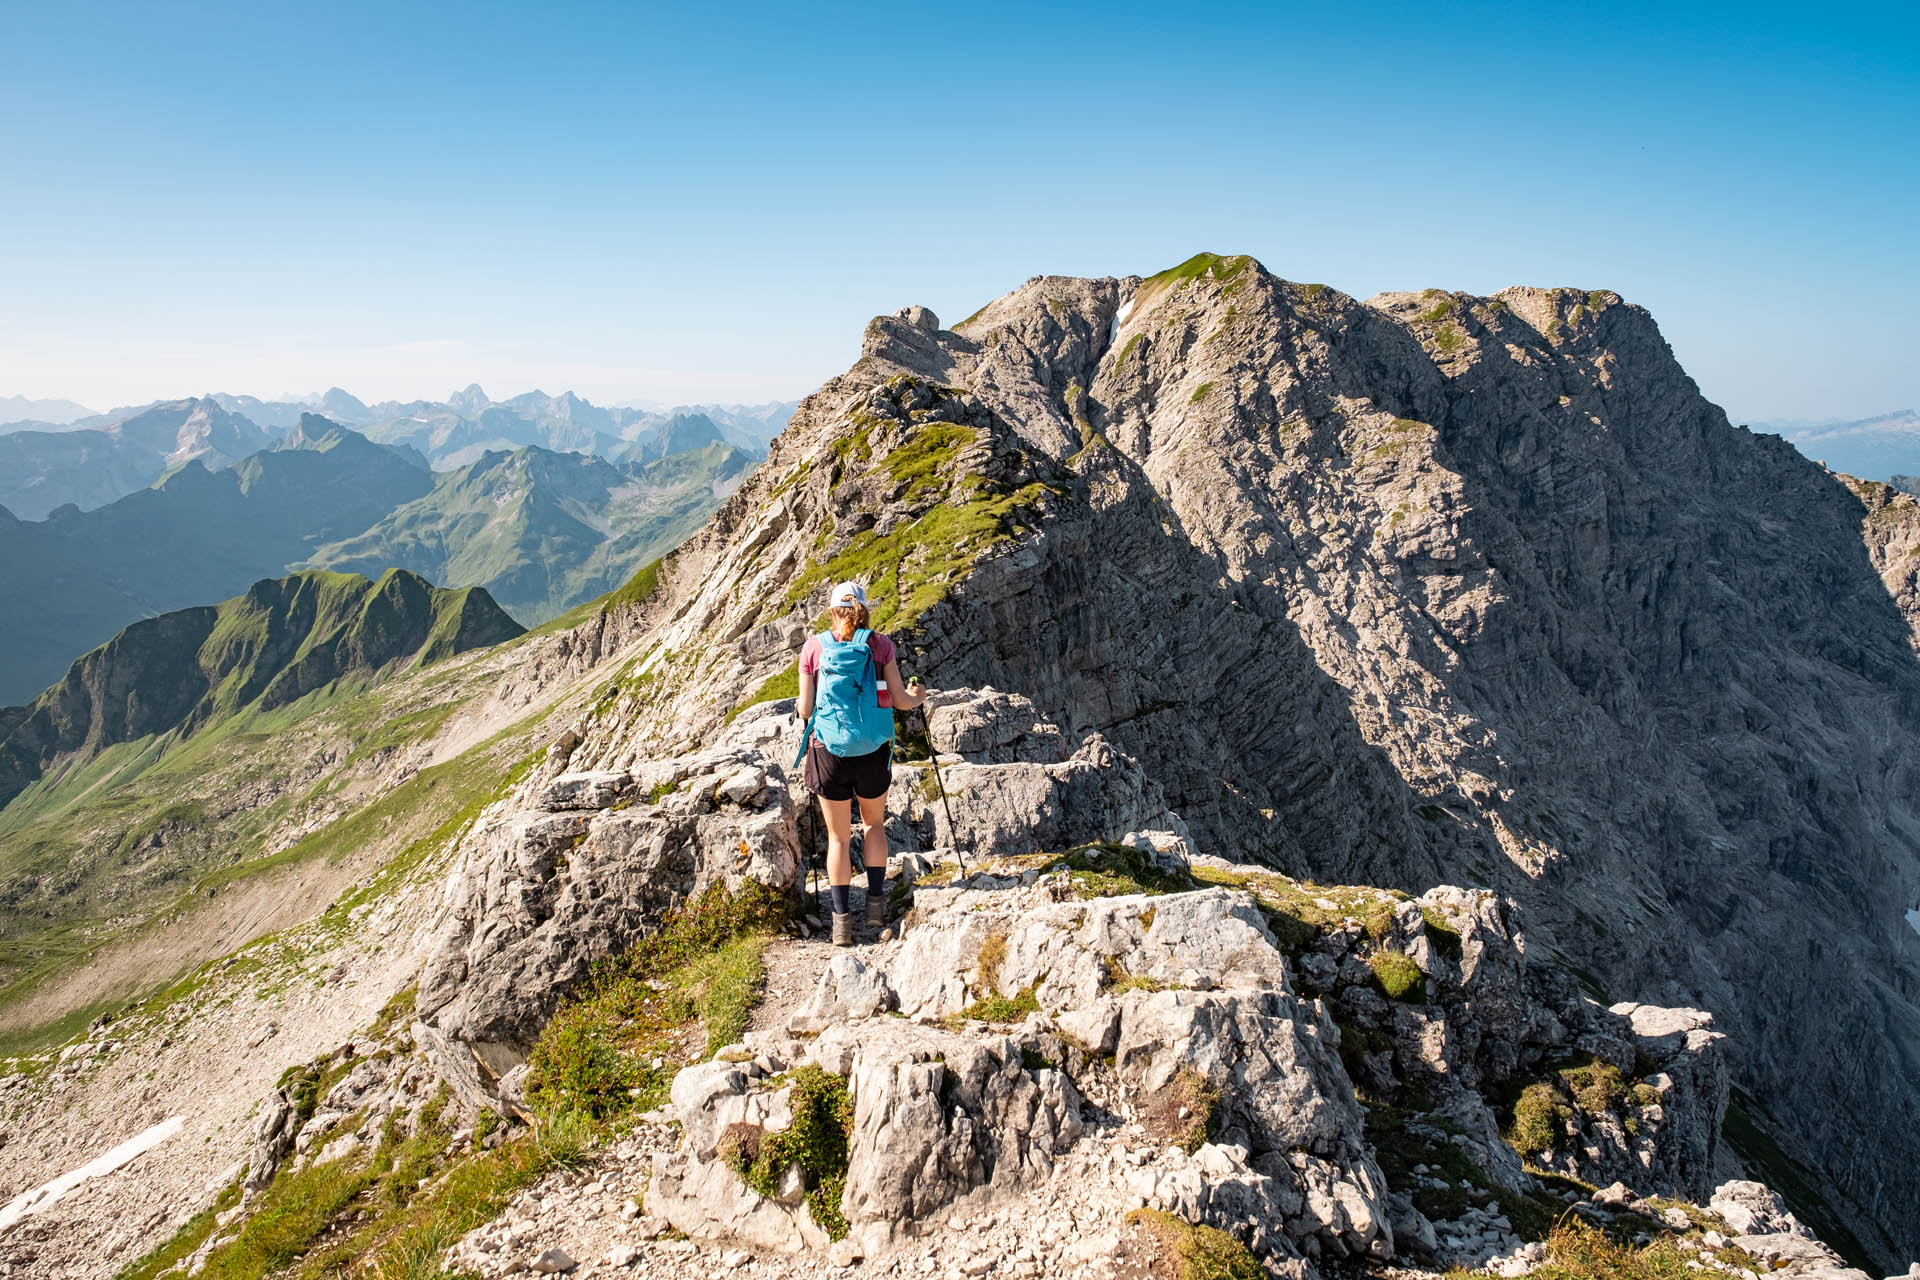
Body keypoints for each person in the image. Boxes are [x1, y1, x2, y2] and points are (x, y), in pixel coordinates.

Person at [794, 581, 925, 946]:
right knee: (874, 826)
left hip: (829, 751)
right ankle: (875, 909)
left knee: (837, 836)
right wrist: (918, 696)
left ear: (831, 610)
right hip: (872, 750)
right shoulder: (880, 645)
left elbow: (805, 709)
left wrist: (802, 707)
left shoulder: (813, 647)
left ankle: (841, 924)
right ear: (864, 608)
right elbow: (899, 699)